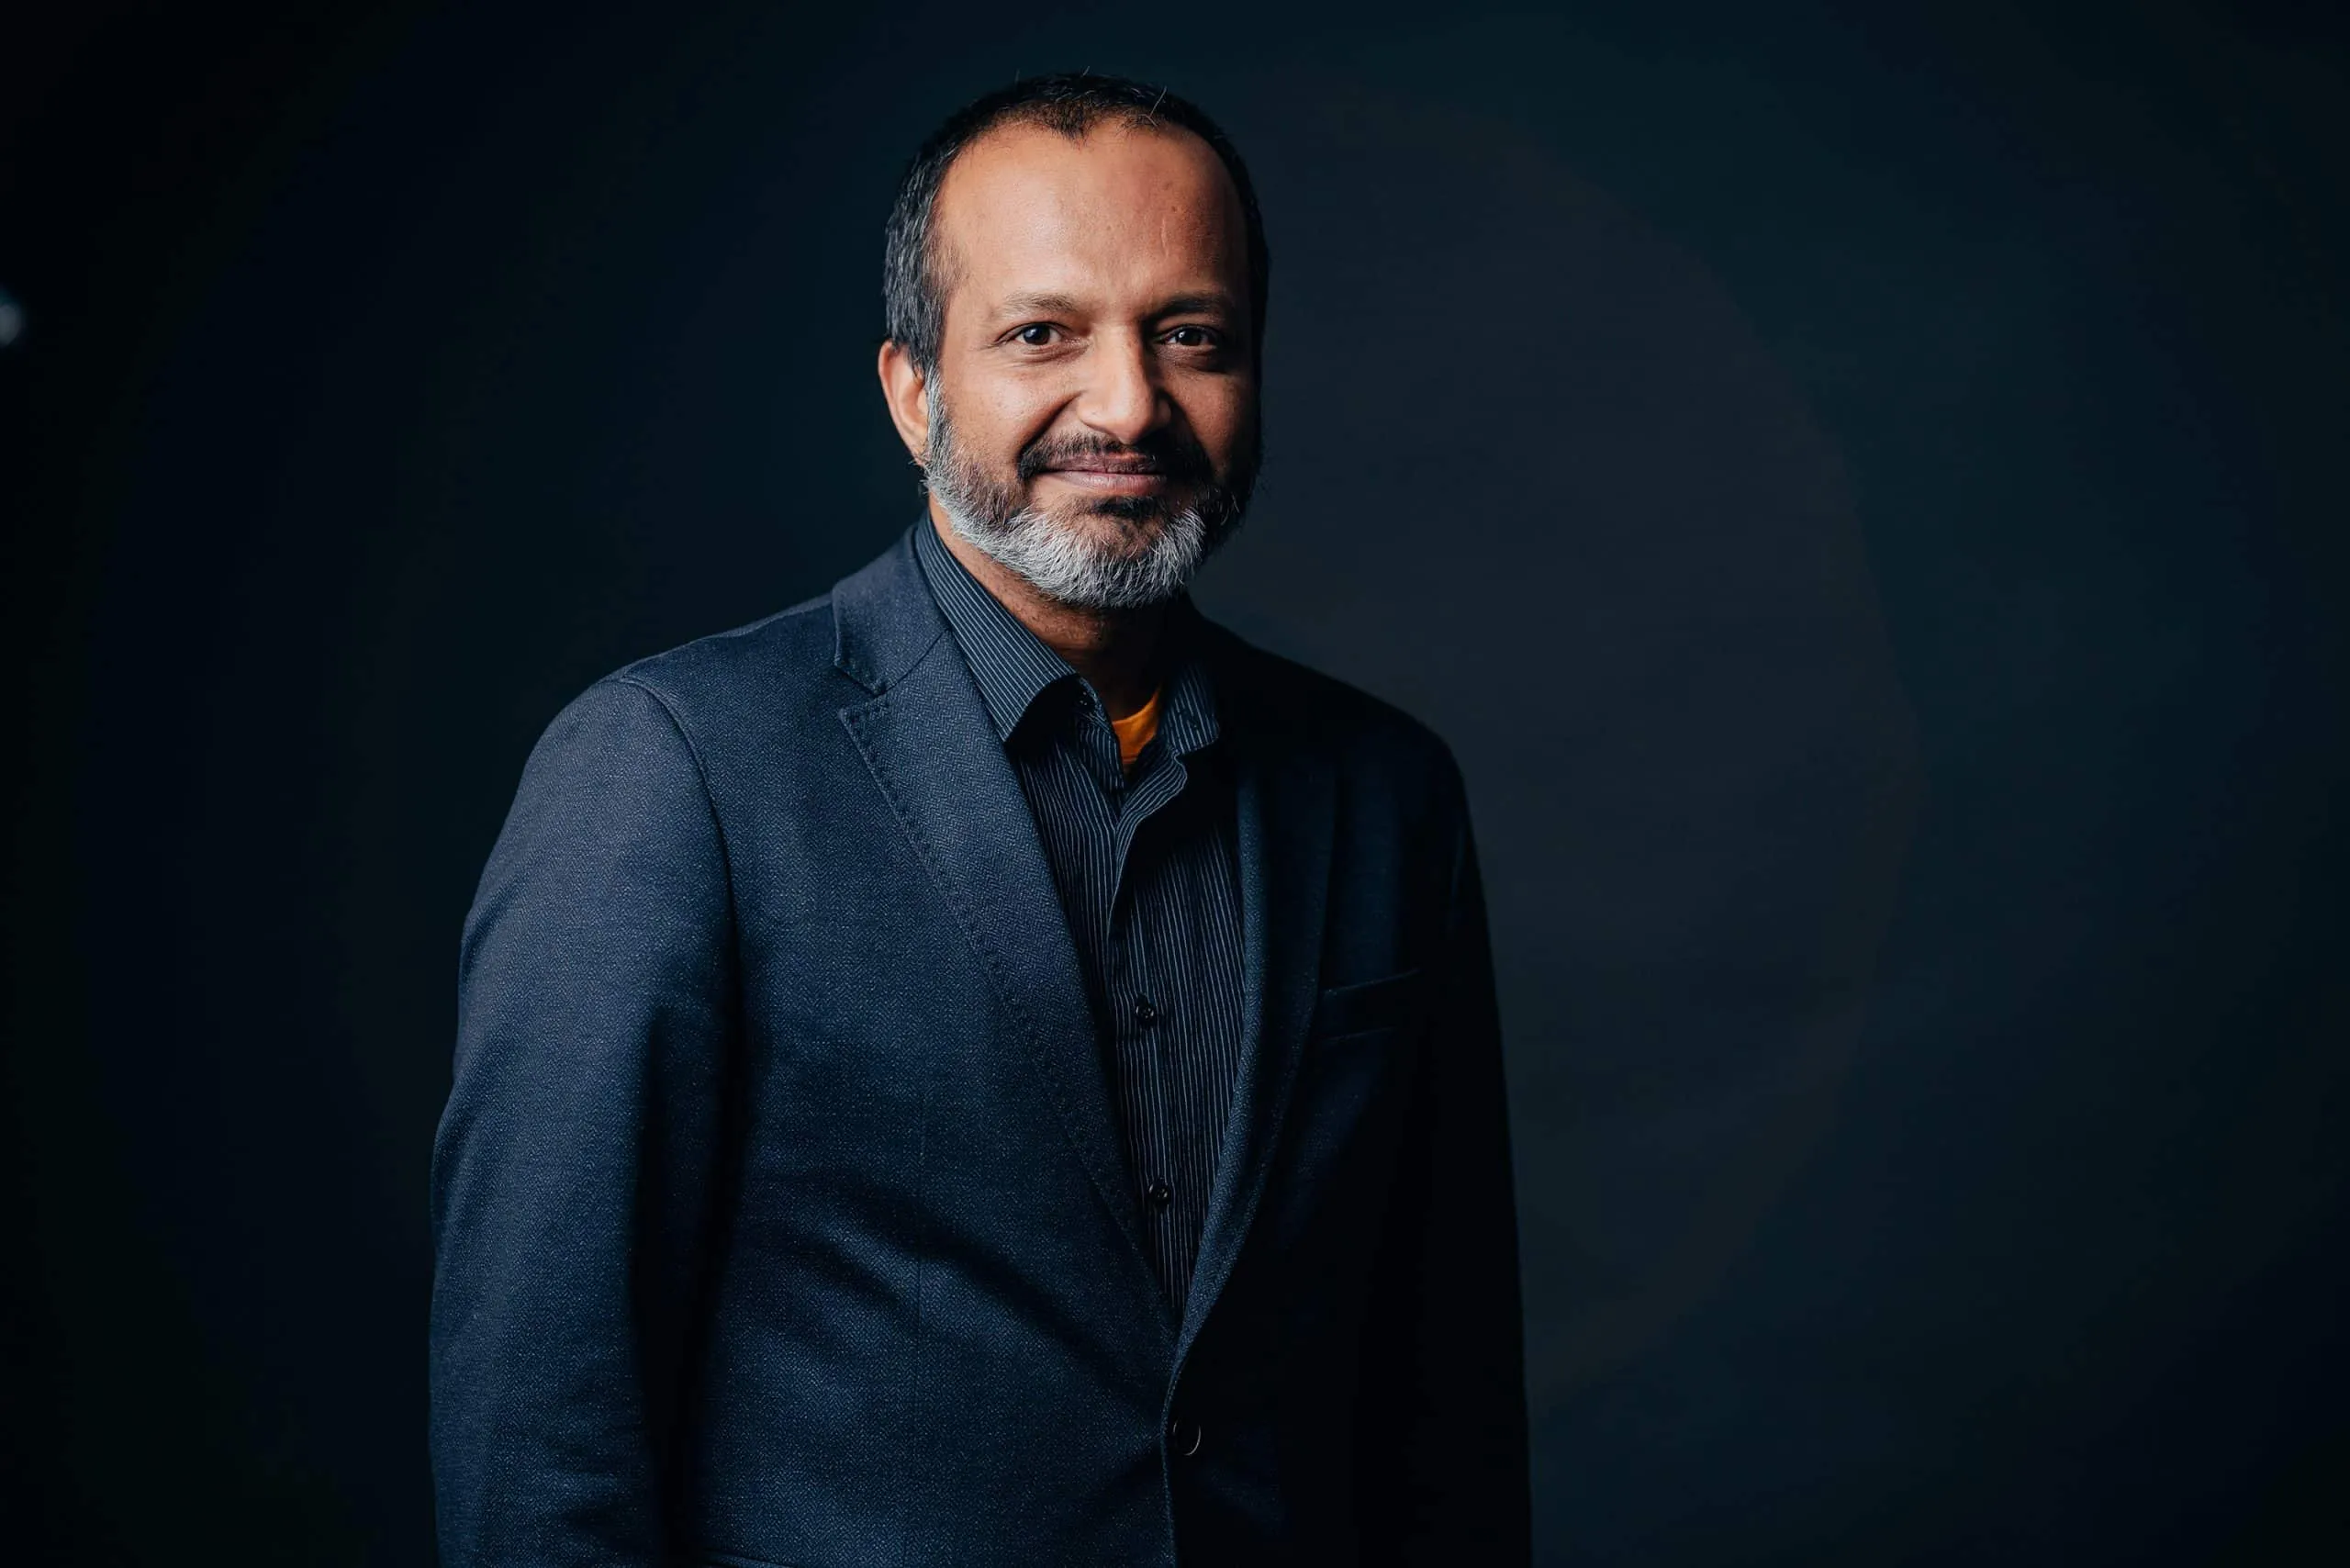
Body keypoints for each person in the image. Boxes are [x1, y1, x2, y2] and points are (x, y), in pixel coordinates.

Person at [429, 71, 1528, 1566]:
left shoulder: (1388, 795)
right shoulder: (669, 773)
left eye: (1189, 335)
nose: (1130, 404)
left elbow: (1443, 1417)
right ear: (911, 388)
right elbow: (538, 1449)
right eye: (1042, 335)